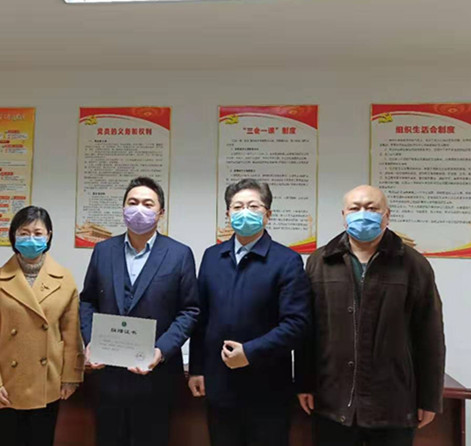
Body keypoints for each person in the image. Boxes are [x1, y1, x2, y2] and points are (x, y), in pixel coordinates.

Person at [297, 185, 446, 446]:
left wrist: (430, 398)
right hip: (332, 400)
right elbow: (307, 331)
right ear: (344, 215)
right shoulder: (320, 262)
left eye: (372, 208)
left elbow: (430, 336)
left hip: (393, 404)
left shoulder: (413, 265)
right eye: (355, 208)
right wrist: (304, 383)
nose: (363, 214)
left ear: (387, 215)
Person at [189, 178, 311, 446]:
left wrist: (250, 352)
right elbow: (201, 317)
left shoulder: (286, 260)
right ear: (228, 214)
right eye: (237, 207)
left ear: (268, 214)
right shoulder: (212, 256)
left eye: (253, 206)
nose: (245, 212)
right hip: (220, 386)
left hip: (268, 389)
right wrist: (196, 368)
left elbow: (296, 324)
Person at [80, 176, 199, 446]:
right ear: (123, 208)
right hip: (109, 376)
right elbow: (87, 302)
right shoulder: (103, 251)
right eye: (132, 202)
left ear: (161, 212)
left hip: (157, 378)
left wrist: (161, 350)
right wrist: (91, 341)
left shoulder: (179, 254)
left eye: (148, 204)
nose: (139, 209)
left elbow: (189, 310)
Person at [0, 206, 84, 446]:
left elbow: (71, 334)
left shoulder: (65, 280)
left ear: (49, 236)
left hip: (47, 384)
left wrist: (70, 377)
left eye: (38, 233)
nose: (31, 238)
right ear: (13, 236)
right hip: (4, 386)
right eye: (24, 233)